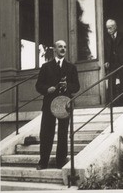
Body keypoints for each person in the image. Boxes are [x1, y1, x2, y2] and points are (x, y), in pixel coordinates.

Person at [35, 40, 80, 170]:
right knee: (46, 133)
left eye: (65, 47)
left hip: (64, 104)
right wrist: (46, 89)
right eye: (60, 46)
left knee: (63, 132)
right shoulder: (46, 67)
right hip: (49, 103)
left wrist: (68, 86)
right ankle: (43, 161)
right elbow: (38, 85)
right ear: (54, 49)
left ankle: (61, 161)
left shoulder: (71, 67)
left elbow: (76, 86)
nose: (63, 49)